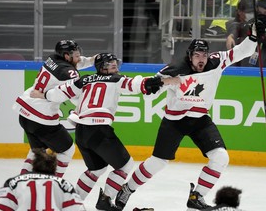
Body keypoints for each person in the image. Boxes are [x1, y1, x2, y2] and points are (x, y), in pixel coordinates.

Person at [114, 22, 265, 211]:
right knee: (158, 162)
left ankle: (197, 197)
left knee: (221, 157)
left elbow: (241, 51)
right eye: (197, 55)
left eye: (204, 55)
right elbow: (150, 87)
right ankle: (128, 188)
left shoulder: (217, 62)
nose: (201, 59)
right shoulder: (176, 68)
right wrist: (154, 85)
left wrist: (252, 36)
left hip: (200, 119)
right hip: (174, 121)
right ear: (190, 56)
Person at [30, 53, 177, 211]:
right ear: (101, 67)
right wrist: (166, 81)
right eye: (110, 63)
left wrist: (43, 94)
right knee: (126, 166)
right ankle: (105, 200)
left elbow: (59, 93)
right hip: (98, 129)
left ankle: (71, 204)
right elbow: (141, 84)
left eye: (115, 63)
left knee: (96, 169)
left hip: (81, 131)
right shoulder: (117, 79)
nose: (114, 65)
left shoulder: (83, 80)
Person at [12, 40, 96, 178]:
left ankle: (21, 183)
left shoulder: (53, 58)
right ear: (67, 56)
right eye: (76, 55)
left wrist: (93, 60)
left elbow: (75, 65)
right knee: (67, 150)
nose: (79, 57)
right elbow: (74, 94)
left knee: (37, 152)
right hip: (41, 118)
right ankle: (54, 183)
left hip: (25, 112)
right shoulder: (69, 72)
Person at [0, 148, 84, 210]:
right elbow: (77, 208)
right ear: (54, 169)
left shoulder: (13, 182)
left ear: (33, 166)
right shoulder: (65, 185)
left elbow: (1, 206)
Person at [226, 0, 266, 67]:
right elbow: (237, 26)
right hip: (245, 63)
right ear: (239, 12)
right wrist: (231, 35)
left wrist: (263, 36)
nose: (251, 14)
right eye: (248, 12)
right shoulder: (250, 23)